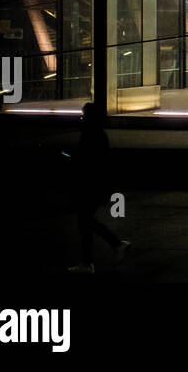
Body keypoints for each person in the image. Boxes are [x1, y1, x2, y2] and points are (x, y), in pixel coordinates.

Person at [67, 103, 130, 274]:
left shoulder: (90, 134)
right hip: (99, 184)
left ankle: (111, 248)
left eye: (83, 114)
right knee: (85, 221)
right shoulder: (98, 134)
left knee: (84, 221)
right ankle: (93, 259)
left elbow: (86, 160)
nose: (81, 117)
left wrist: (71, 158)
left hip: (92, 185)